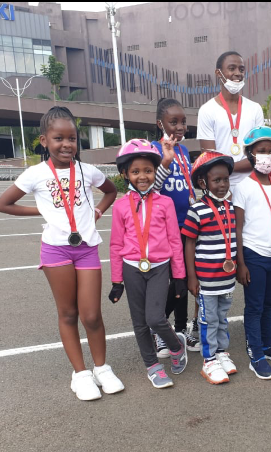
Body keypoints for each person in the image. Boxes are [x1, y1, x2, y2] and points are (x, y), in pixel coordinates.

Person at [0, 106, 123, 402]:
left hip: (86, 248)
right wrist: (41, 212)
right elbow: (3, 204)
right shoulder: (36, 174)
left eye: (72, 138)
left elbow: (111, 191)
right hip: (56, 250)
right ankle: (81, 374)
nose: (66, 144)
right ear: (44, 141)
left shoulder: (87, 171)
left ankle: (102, 368)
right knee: (68, 313)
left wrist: (98, 211)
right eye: (58, 138)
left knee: (92, 315)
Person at [109, 139, 188, 389]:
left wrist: (179, 276)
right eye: (135, 171)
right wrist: (116, 280)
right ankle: (152, 365)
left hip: (159, 267)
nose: (142, 176)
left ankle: (176, 346)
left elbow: (175, 241)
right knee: (140, 322)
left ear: (155, 172)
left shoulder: (165, 203)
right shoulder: (121, 205)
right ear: (125, 174)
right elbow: (115, 244)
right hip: (131, 268)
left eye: (148, 170)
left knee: (155, 318)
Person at [233, 126, 271, 380]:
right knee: (255, 306)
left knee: (269, 304)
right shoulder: (243, 187)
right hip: (254, 255)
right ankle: (255, 354)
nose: (267, 156)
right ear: (250, 154)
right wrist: (241, 263)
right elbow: (237, 228)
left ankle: (267, 345)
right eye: (261, 151)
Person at [182, 151, 238, 385]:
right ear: (203, 183)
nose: (222, 184)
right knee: (208, 320)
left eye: (225, 179)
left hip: (227, 279)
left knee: (223, 318)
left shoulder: (231, 207)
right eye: (216, 180)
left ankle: (221, 352)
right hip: (206, 280)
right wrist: (192, 277)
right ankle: (209, 360)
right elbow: (189, 244)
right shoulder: (197, 210)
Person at [150, 97, 201, 356]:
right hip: (165, 227)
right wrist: (165, 161)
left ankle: (180, 331)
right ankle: (158, 327)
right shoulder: (153, 150)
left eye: (183, 122)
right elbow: (152, 187)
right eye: (173, 122)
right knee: (173, 280)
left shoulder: (183, 150)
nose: (180, 127)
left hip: (187, 224)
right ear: (160, 123)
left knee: (184, 278)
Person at [197, 51, 265, 194]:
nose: (238, 73)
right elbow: (209, 159)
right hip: (222, 189)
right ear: (218, 73)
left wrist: (224, 167)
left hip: (252, 184)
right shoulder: (207, 110)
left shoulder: (255, 109)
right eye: (232, 68)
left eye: (241, 69)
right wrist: (242, 164)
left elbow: (259, 156)